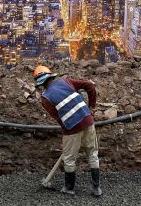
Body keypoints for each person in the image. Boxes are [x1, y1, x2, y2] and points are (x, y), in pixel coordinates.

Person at [34, 65, 102, 196]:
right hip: (88, 120)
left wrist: (67, 134)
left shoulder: (45, 98)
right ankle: (96, 189)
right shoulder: (66, 81)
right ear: (50, 75)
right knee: (92, 153)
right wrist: (91, 107)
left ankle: (69, 188)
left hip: (71, 128)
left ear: (40, 83)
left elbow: (59, 118)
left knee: (69, 158)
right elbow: (90, 85)